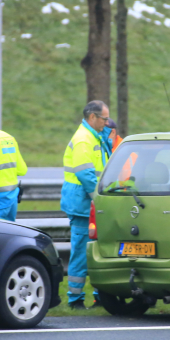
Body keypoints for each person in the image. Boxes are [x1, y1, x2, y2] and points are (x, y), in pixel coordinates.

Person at [61, 100, 112, 309]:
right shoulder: (84, 139)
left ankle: (100, 296)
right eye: (104, 118)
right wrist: (99, 198)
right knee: (81, 252)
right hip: (84, 205)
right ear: (93, 117)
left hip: (88, 203)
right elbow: (85, 174)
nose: (107, 123)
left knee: (95, 251)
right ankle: (75, 300)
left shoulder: (94, 136)